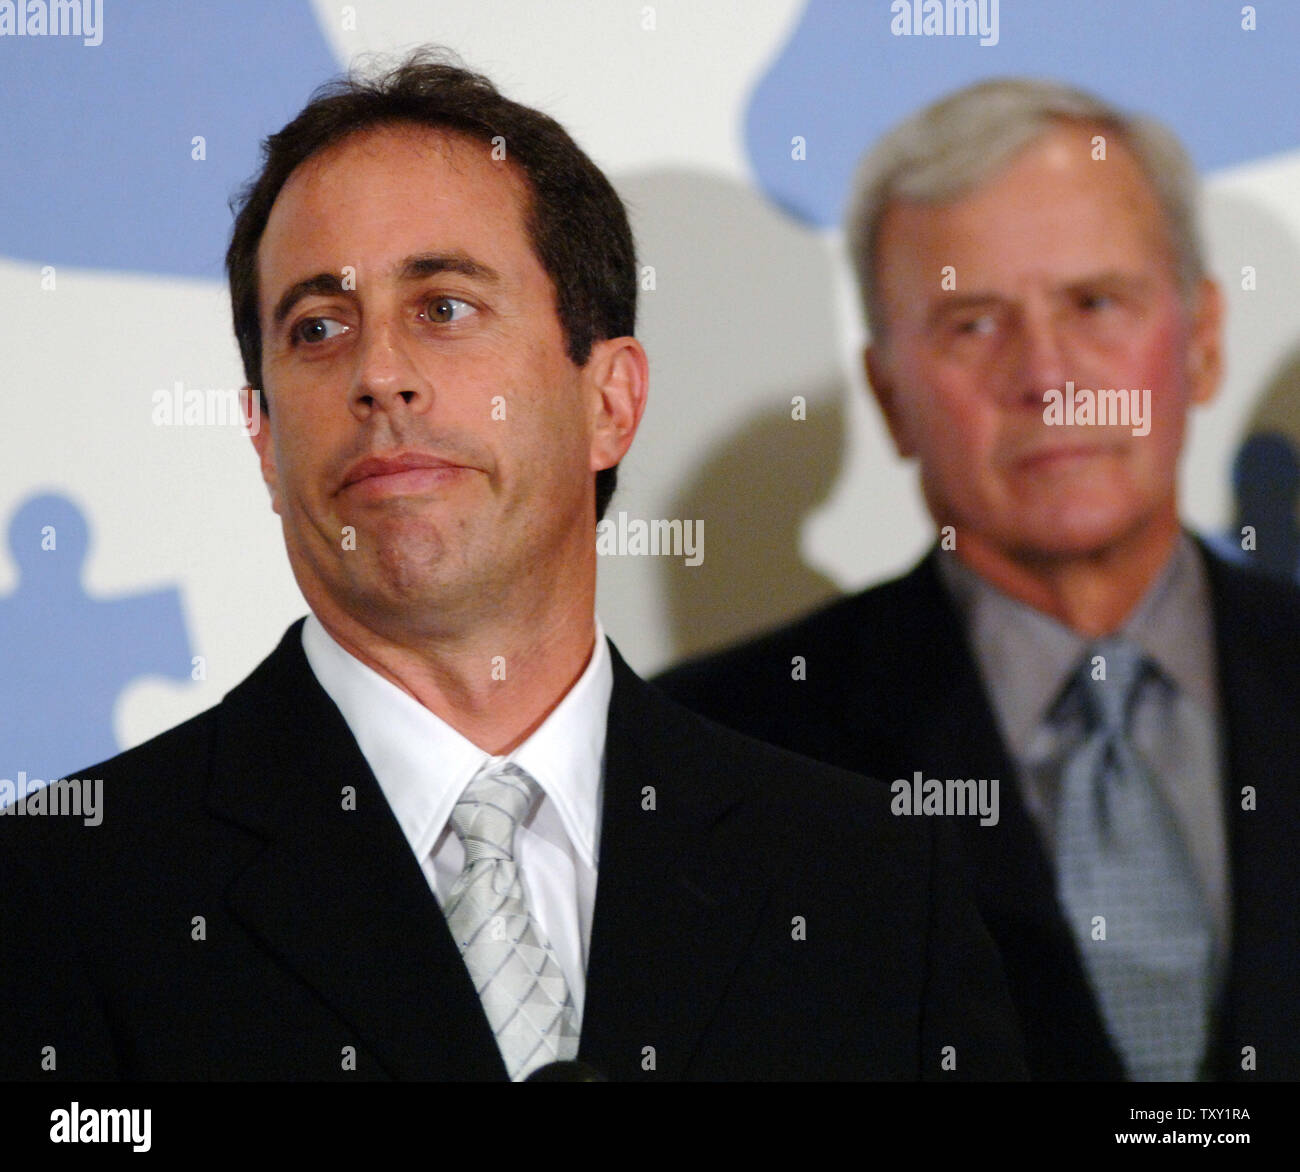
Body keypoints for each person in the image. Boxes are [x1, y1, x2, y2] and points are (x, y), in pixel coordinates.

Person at [0, 51, 1025, 1082]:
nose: (380, 374)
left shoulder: (873, 886)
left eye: (443, 307)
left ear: (610, 401)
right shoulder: (61, 892)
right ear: (264, 440)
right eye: (318, 327)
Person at [658, 78, 1300, 1081]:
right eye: (971, 323)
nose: (1044, 374)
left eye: (1094, 302)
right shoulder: (718, 754)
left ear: (1204, 339)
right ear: (890, 397)